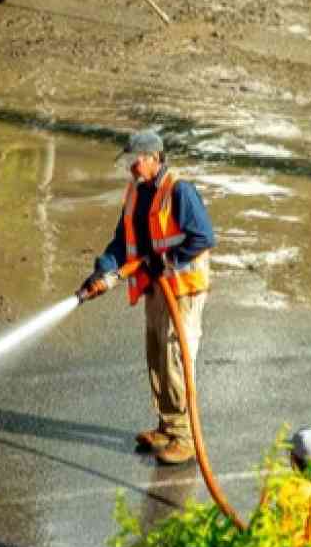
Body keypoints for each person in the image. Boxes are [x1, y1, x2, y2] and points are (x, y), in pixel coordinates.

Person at [77, 128, 214, 466]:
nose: (131, 167)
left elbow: (203, 236)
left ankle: (184, 437)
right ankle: (167, 427)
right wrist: (102, 271)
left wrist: (164, 261)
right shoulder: (137, 193)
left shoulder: (179, 191)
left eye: (135, 161)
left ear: (154, 158)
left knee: (174, 359)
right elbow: (122, 242)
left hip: (181, 289)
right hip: (156, 289)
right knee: (156, 358)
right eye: (129, 161)